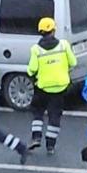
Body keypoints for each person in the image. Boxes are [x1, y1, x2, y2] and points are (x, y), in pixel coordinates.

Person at [27, 17, 77, 154]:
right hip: (60, 87)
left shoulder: (36, 49)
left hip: (43, 87)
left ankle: (36, 137)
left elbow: (31, 69)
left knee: (37, 111)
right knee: (55, 116)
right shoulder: (64, 45)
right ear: (53, 30)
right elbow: (73, 63)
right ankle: (50, 146)